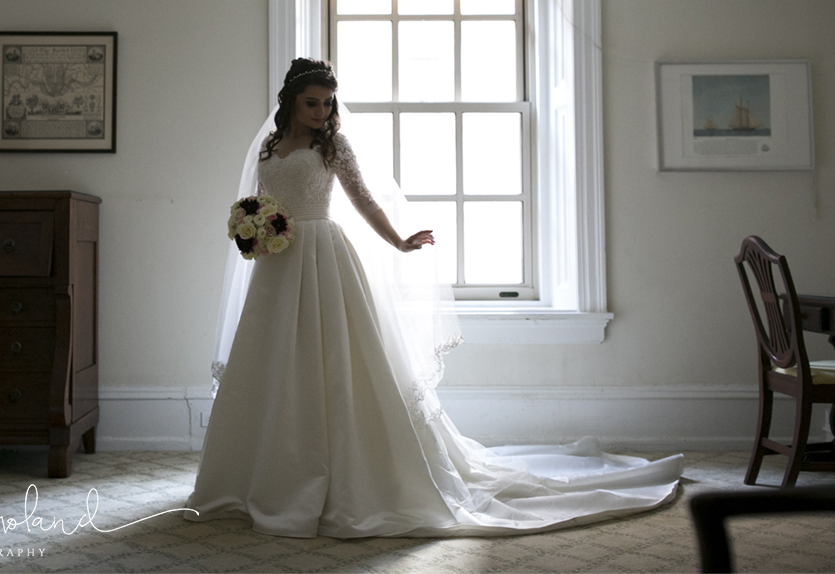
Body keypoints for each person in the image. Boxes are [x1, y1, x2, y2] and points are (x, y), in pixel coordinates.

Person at [184, 58, 683, 538]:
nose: (321, 113)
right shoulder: (270, 148)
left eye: (327, 104)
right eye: (312, 104)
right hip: (277, 264)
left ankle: (346, 476)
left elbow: (364, 200)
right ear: (291, 102)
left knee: (337, 361)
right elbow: (261, 201)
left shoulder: (334, 148)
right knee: (271, 365)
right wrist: (252, 228)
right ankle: (256, 479)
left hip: (322, 258)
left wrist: (399, 240)